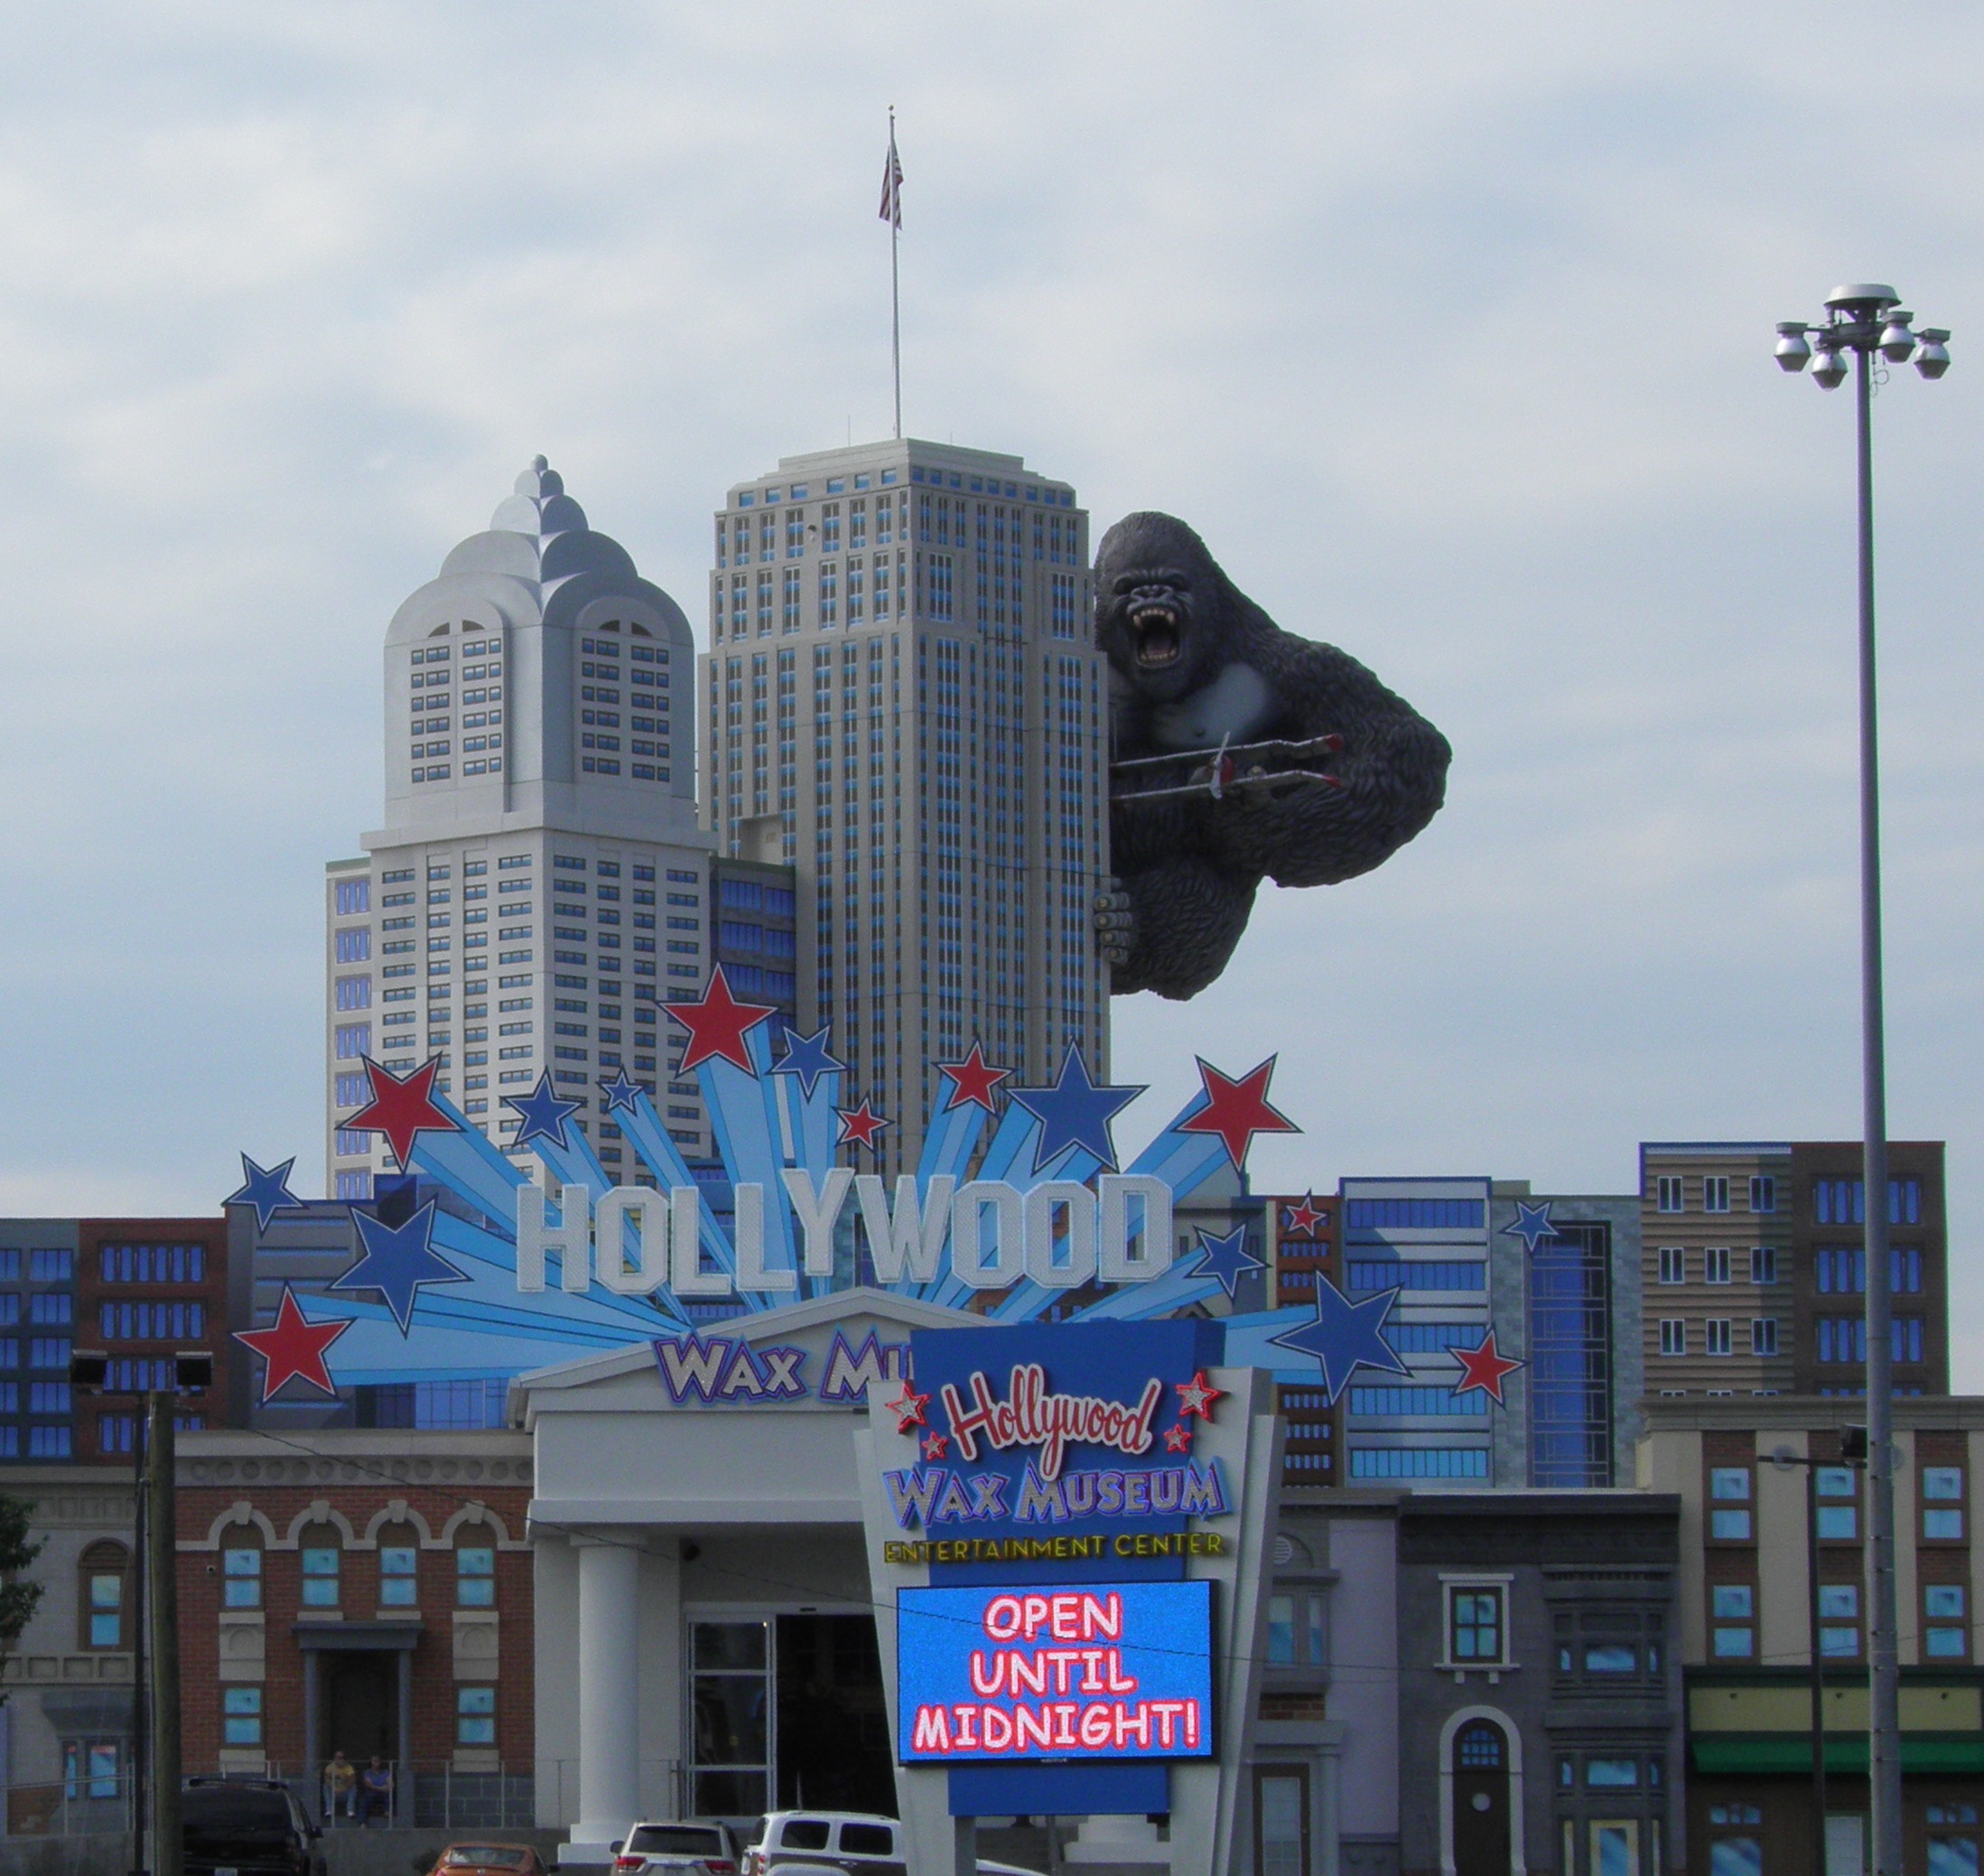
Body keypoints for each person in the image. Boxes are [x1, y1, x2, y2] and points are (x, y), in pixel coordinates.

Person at [323, 1750, 357, 1824]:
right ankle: (329, 1810)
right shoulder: (330, 1767)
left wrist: (343, 1788)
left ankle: (350, 1810)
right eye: (339, 1757)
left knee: (354, 1787)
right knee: (325, 1787)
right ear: (335, 1758)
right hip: (334, 1792)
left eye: (342, 1757)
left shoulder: (349, 1768)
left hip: (344, 1792)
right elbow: (326, 1779)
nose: (340, 1759)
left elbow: (352, 1779)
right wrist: (334, 1788)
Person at [360, 1756, 393, 1825]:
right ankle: (363, 1822)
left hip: (384, 1793)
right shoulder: (367, 1772)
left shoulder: (386, 1772)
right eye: (374, 1760)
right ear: (371, 1762)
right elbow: (369, 1785)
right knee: (365, 1800)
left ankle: (387, 1812)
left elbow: (391, 1785)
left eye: (377, 1760)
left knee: (388, 1795)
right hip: (372, 1792)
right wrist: (381, 1788)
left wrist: (377, 1787)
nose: (376, 1762)